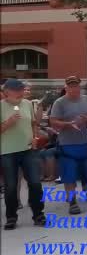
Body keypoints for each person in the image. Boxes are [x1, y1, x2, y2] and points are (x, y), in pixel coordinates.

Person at [1, 79, 46, 229]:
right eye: (16, 90)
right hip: (7, 151)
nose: (20, 93)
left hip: (28, 150)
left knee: (35, 183)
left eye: (21, 89)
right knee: (11, 186)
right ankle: (11, 217)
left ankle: (38, 215)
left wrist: (35, 138)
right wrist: (8, 123)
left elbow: (33, 123)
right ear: (6, 91)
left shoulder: (27, 104)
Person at [49, 76, 87, 215]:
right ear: (66, 87)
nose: (73, 88)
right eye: (70, 86)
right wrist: (68, 125)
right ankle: (72, 202)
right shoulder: (60, 102)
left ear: (79, 87)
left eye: (76, 85)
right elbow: (53, 121)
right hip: (67, 144)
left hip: (86, 142)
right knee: (69, 174)